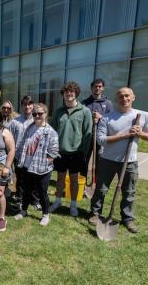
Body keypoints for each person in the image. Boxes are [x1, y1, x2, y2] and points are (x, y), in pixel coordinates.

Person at [89, 87, 148, 233]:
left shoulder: (143, 115)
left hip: (130, 160)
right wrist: (124, 135)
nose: (124, 99)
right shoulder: (107, 118)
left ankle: (128, 218)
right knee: (101, 189)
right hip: (108, 160)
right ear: (116, 99)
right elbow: (101, 140)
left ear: (133, 97)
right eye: (120, 96)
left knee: (129, 191)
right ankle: (95, 213)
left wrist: (140, 133)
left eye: (127, 96)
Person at [50, 82, 92, 217]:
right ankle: (57, 202)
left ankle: (73, 205)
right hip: (60, 153)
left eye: (72, 92)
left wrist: (83, 152)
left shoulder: (85, 111)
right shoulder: (58, 111)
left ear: (76, 94)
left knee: (74, 180)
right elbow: (53, 131)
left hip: (76, 153)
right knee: (60, 178)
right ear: (63, 94)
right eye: (67, 92)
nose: (69, 94)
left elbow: (87, 133)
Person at [14, 103, 59, 226]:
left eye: (40, 113)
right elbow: (23, 143)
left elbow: (54, 152)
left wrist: (45, 163)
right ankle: (24, 210)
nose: (37, 116)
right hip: (27, 166)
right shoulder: (30, 127)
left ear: (46, 114)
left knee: (42, 192)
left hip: (42, 168)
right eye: (35, 114)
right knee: (27, 190)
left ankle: (46, 214)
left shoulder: (51, 132)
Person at [81, 78, 114, 177]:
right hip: (87, 136)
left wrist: (101, 117)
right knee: (84, 160)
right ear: (92, 88)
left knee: (99, 160)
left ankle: (96, 183)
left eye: (100, 86)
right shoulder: (84, 103)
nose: (97, 88)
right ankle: (83, 182)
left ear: (103, 88)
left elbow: (112, 120)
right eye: (95, 86)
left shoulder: (108, 103)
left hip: (100, 137)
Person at [13, 96, 38, 210]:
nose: (27, 106)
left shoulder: (37, 120)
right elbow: (10, 137)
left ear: (32, 105)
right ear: (22, 106)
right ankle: (19, 199)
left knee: (33, 178)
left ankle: (34, 200)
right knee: (20, 179)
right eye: (24, 104)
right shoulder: (15, 121)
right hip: (18, 155)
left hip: (32, 155)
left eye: (29, 104)